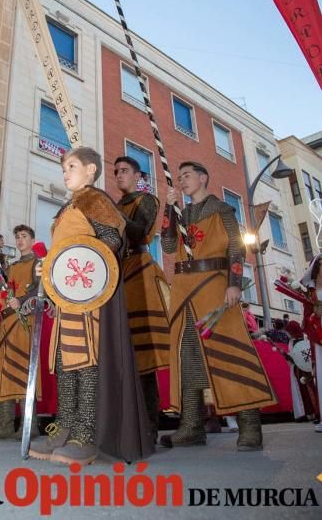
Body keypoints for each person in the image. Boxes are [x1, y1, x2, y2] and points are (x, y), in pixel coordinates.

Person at [29, 147, 153, 466]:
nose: (65, 172)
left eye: (71, 166)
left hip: (90, 298)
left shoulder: (95, 200)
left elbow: (112, 240)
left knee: (86, 362)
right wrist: (49, 269)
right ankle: (65, 428)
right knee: (65, 362)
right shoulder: (67, 208)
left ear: (91, 171)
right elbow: (64, 252)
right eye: (64, 167)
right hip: (68, 299)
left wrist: (79, 266)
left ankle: (86, 433)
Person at [160, 161, 276, 451]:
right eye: (179, 176)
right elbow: (168, 247)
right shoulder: (181, 213)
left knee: (229, 352)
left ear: (203, 177)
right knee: (188, 357)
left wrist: (234, 282)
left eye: (187, 175)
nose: (182, 180)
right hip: (184, 289)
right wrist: (168, 210)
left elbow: (236, 247)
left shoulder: (223, 210)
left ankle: (250, 427)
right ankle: (191, 427)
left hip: (214, 286)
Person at [113, 155, 170, 440]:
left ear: (138, 176)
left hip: (140, 273)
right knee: (122, 355)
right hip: (117, 275)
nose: (119, 175)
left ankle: (148, 427)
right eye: (116, 172)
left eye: (124, 170)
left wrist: (113, 216)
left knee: (143, 356)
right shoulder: (113, 206)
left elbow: (141, 233)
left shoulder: (147, 200)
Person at [0, 225, 40, 441]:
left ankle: (29, 426)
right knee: (3, 373)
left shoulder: (38, 263)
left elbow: (43, 291)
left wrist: (21, 300)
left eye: (24, 236)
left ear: (32, 240)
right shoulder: (11, 266)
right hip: (6, 323)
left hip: (24, 323)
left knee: (23, 372)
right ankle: (3, 425)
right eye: (17, 236)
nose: (20, 240)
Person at [300, 254, 322, 433]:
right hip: (319, 341)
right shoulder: (311, 294)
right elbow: (306, 319)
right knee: (320, 377)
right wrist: (315, 315)